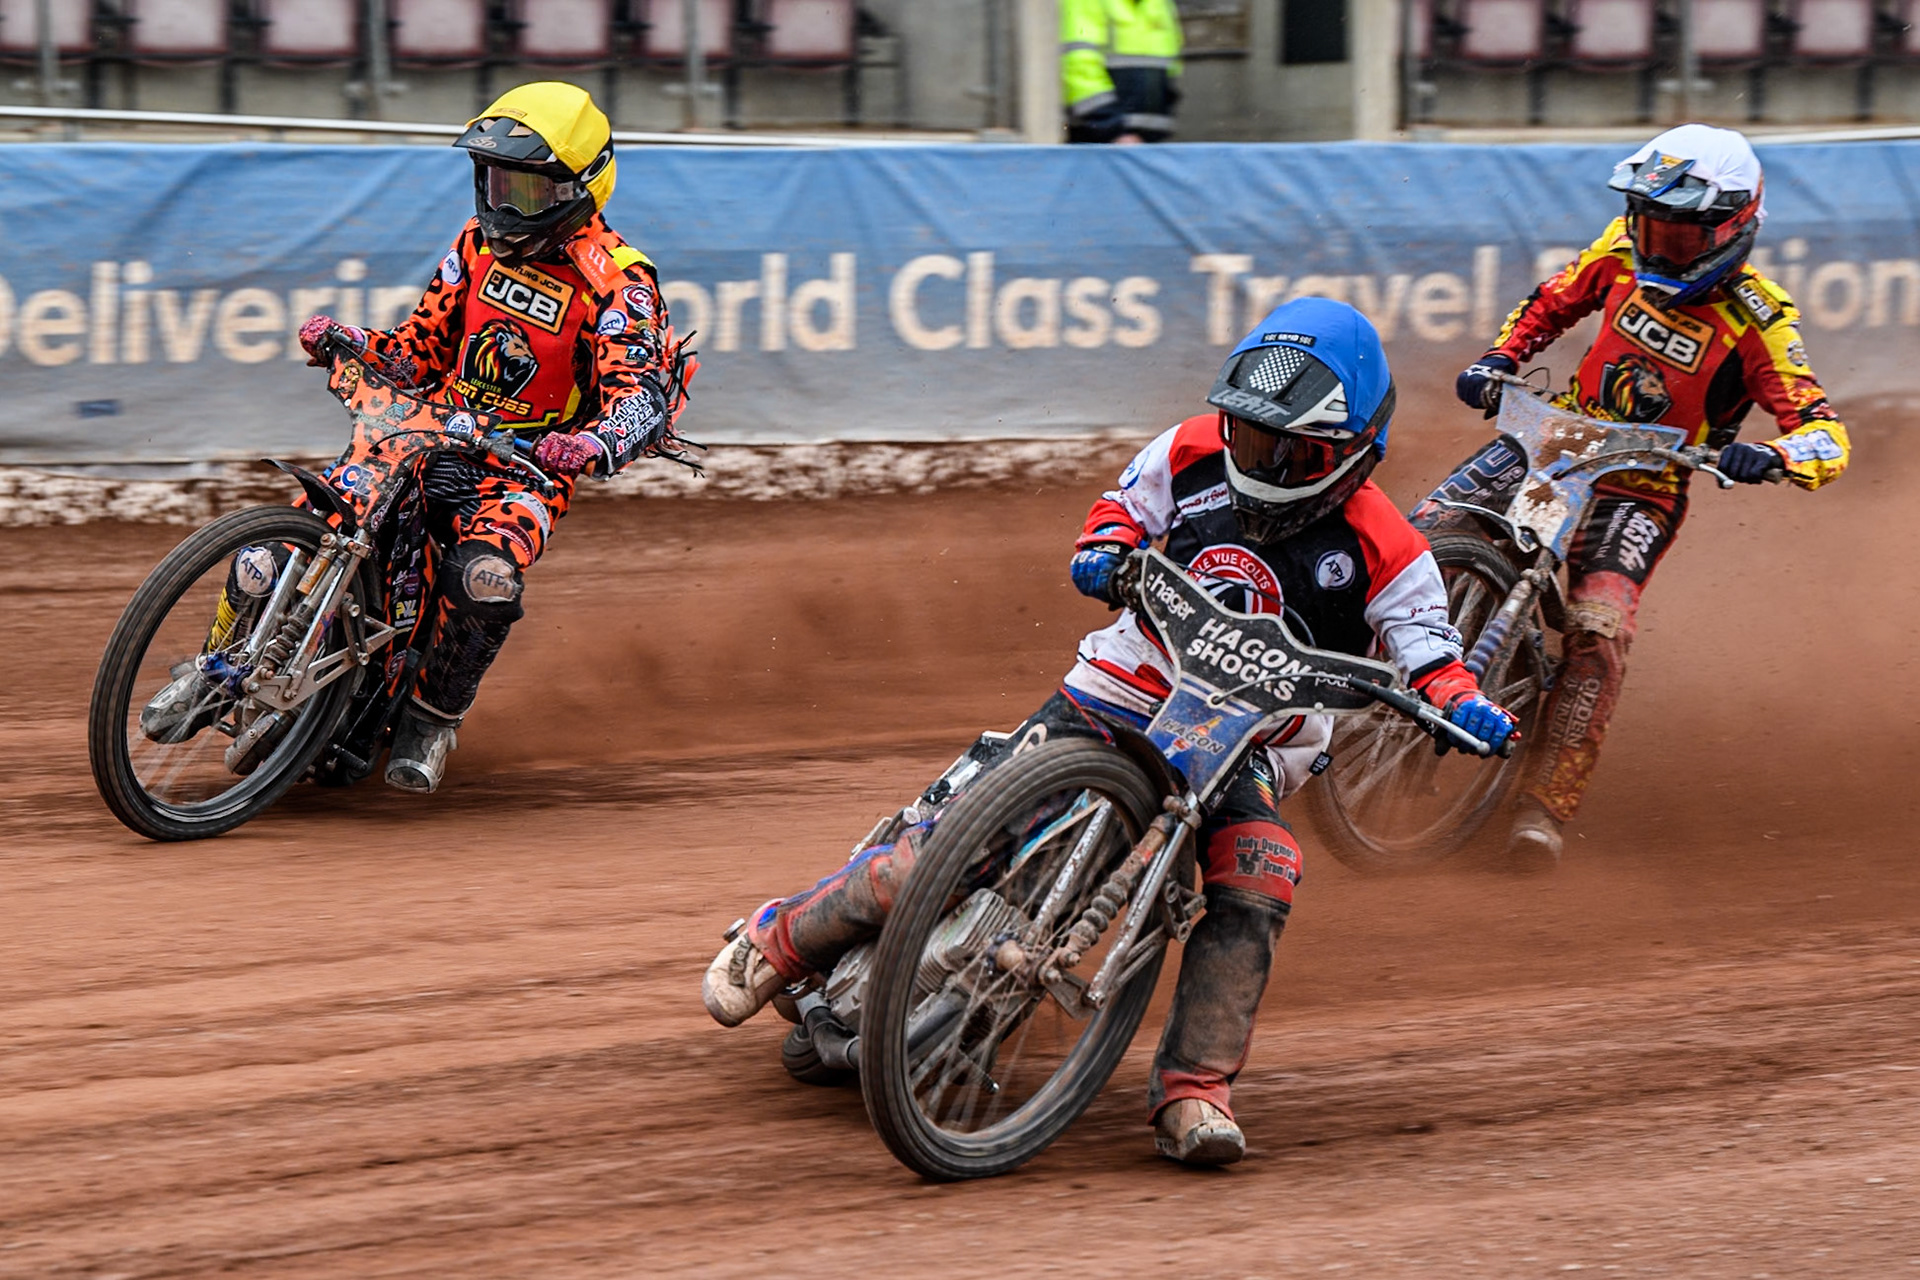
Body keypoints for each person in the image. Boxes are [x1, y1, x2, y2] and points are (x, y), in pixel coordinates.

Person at [701, 298, 1517, 1166]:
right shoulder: (1191, 448)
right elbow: (1122, 508)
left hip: (1248, 743)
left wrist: (1458, 699)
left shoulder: (1391, 548)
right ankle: (781, 939)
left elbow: (1431, 649)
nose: (1265, 461)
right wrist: (1104, 548)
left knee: (1262, 872)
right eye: (1250, 437)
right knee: (946, 849)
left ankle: (1195, 1091)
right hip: (1120, 689)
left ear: (1357, 451)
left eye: (1295, 451)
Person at [1414, 124, 1849, 865]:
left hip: (1638, 490)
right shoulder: (1618, 249)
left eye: (1680, 237)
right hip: (1554, 444)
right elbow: (1551, 301)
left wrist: (1770, 456)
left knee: (1596, 630)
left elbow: (1826, 434)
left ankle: (1542, 807)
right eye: (1650, 224)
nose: (1657, 246)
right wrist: (1499, 358)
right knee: (1420, 537)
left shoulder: (1759, 320)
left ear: (1733, 228)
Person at [294, 81, 691, 793]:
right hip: (425, 433)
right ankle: (219, 660)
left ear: (579, 188)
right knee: (305, 528)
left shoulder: (620, 283)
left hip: (524, 470)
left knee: (483, 578)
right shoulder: (474, 244)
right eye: (496, 182)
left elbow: (641, 395)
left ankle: (431, 718)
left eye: (530, 192)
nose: (506, 205)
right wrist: (352, 342)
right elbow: (417, 350)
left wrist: (592, 443)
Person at [1062, 0, 1183, 144]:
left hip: (1148, 143)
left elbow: (1171, 67)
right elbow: (1078, 67)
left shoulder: (1161, 4)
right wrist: (1111, 128)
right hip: (1099, 143)